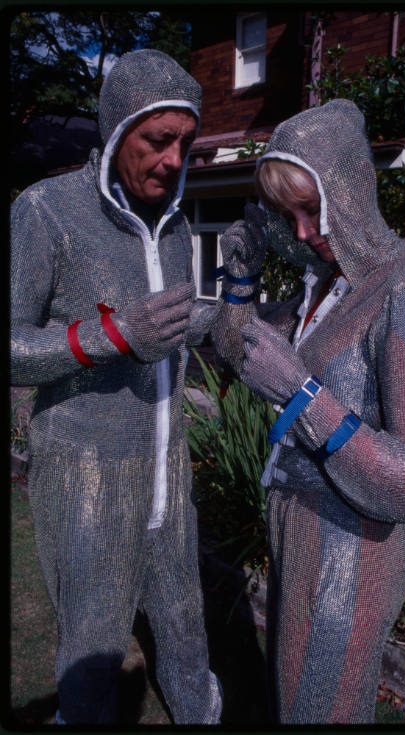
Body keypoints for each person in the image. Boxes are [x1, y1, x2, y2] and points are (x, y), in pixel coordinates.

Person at [211, 98, 405, 724]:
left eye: (310, 208)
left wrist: (301, 393)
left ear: (348, 187)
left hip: (352, 562)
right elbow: (237, 352)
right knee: (293, 704)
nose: (301, 232)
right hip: (298, 536)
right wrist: (241, 279)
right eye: (287, 214)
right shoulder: (331, 281)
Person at [10, 49, 221, 725]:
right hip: (86, 481)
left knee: (188, 638)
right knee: (93, 657)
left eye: (184, 143)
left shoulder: (178, 225)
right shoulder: (46, 211)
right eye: (157, 140)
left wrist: (215, 318)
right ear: (116, 127)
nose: (172, 158)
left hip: (168, 477)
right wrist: (106, 337)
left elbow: (173, 329)